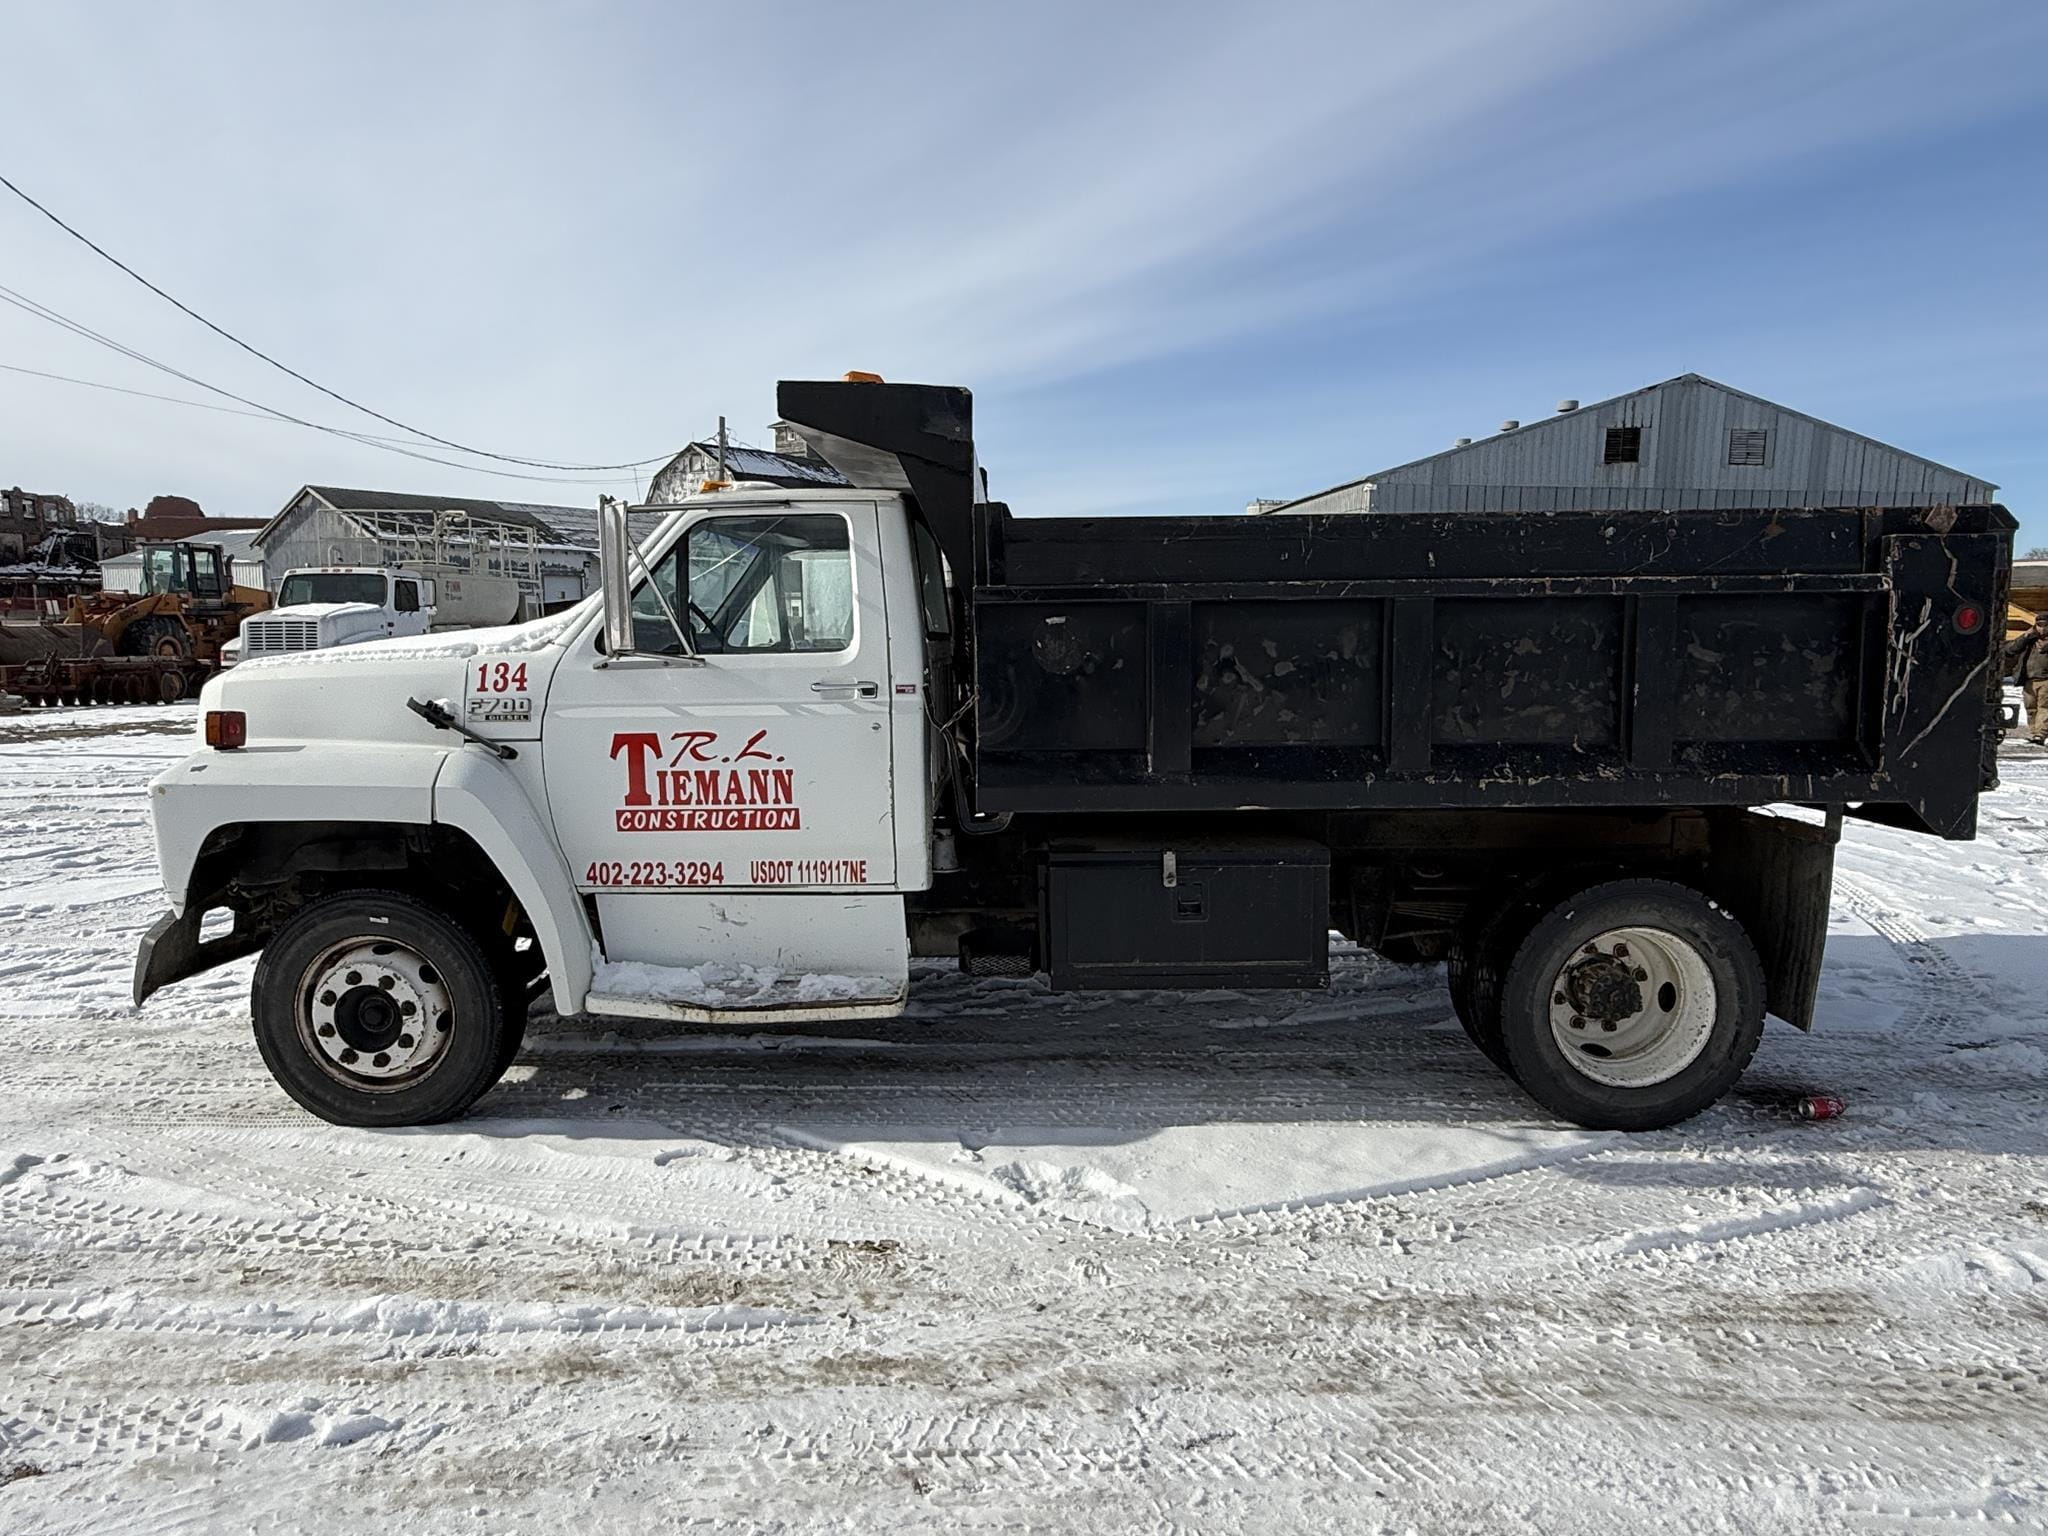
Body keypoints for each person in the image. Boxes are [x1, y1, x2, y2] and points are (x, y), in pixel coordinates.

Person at [2003, 613, 2048, 744]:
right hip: (2029, 679)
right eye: (2040, 626)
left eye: (2046, 626)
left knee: (2044, 707)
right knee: (2030, 708)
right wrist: (2025, 637)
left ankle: (2041, 734)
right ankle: (2034, 733)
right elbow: (2010, 650)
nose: (2042, 629)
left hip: (2045, 679)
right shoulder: (2030, 640)